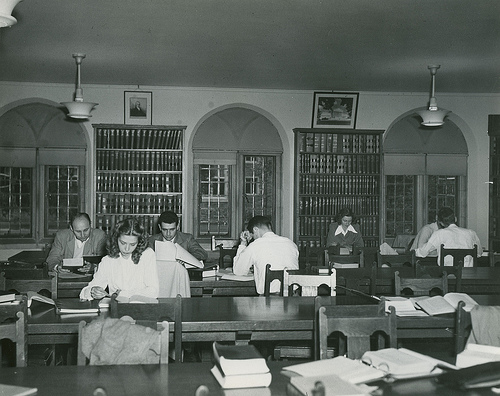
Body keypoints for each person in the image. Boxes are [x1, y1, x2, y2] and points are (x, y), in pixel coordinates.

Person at [80, 218, 159, 301]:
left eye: (132, 244)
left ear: (139, 242)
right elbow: (86, 291)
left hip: (141, 308)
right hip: (116, 309)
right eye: (123, 243)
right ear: (115, 239)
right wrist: (93, 291)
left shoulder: (147, 255)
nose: (127, 249)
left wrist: (119, 294)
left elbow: (153, 291)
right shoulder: (108, 260)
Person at [232, 215, 299, 295]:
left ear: (255, 229)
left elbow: (239, 271)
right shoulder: (291, 243)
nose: (253, 238)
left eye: (253, 235)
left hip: (268, 301)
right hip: (293, 299)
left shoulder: (255, 245)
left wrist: (243, 243)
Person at [415, 207, 482, 267]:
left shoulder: (439, 234)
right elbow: (479, 253)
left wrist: (413, 252)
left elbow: (422, 252)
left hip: (447, 275)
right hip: (469, 276)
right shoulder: (471, 233)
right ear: (455, 219)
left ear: (441, 222)